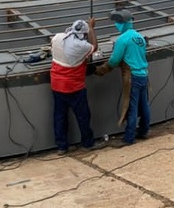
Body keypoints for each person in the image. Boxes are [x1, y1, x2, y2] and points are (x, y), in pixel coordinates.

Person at [95, 9, 150, 145]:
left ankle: (129, 138)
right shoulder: (139, 37)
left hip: (132, 78)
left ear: (123, 23)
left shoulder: (122, 39)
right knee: (144, 106)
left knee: (130, 107)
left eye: (117, 22)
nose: (116, 25)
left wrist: (100, 70)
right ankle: (143, 131)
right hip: (144, 76)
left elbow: (114, 60)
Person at [49, 18, 98, 155]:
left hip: (57, 84)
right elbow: (94, 47)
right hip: (74, 86)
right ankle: (87, 144)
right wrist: (92, 28)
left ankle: (62, 146)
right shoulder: (81, 46)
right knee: (83, 116)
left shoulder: (58, 37)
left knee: (59, 116)